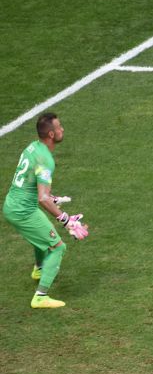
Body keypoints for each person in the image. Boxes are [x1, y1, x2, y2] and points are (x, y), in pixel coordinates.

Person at [2, 112, 88, 309]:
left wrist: (53, 198)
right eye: (59, 127)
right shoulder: (46, 160)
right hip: (23, 211)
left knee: (42, 235)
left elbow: (34, 187)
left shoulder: (32, 147)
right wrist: (66, 220)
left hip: (15, 205)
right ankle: (40, 296)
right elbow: (42, 199)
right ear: (50, 134)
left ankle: (39, 269)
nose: (62, 129)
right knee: (58, 247)